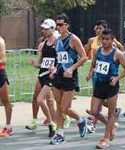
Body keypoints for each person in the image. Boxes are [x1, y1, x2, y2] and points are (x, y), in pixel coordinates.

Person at [86, 29, 125, 148]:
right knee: (94, 112)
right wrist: (90, 73)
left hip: (111, 85)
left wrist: (117, 78)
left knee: (111, 112)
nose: (104, 41)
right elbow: (93, 64)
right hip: (99, 84)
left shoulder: (117, 54)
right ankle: (111, 125)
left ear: (112, 40)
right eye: (103, 39)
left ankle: (105, 138)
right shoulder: (97, 51)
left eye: (107, 39)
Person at [49, 13, 87, 145]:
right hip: (58, 76)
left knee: (65, 107)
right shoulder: (57, 40)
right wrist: (53, 68)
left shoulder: (73, 39)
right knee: (58, 106)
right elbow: (58, 59)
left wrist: (71, 69)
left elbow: (84, 57)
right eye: (56, 25)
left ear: (67, 25)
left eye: (60, 25)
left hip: (70, 77)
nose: (57, 27)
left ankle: (81, 120)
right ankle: (60, 133)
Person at [25, 19, 57, 137]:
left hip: (52, 76)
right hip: (42, 75)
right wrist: (34, 64)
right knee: (39, 99)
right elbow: (40, 63)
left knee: (41, 100)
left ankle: (54, 123)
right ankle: (53, 123)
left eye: (46, 29)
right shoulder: (41, 45)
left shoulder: (58, 43)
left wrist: (55, 68)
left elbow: (64, 59)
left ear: (53, 29)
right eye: (43, 28)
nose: (44, 31)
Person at [0, 36, 13, 137]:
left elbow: (3, 60)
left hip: (0, 72)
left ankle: (8, 127)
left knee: (5, 100)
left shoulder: (0, 41)